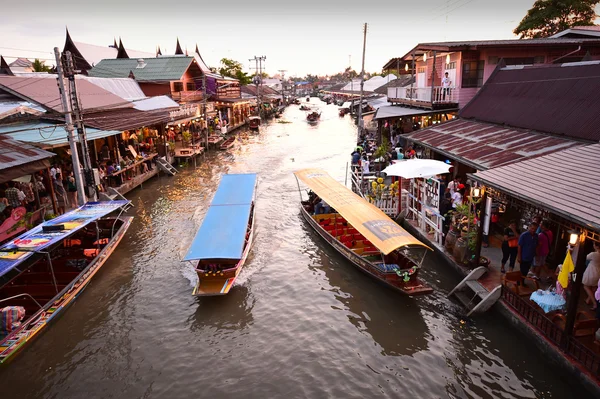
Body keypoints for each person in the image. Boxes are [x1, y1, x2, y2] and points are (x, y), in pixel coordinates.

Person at [583, 242, 600, 310]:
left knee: (586, 286)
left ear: (596, 246)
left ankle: (594, 303)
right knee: (594, 288)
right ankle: (588, 300)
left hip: (591, 271)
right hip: (598, 272)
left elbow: (586, 257)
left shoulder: (593, 254)